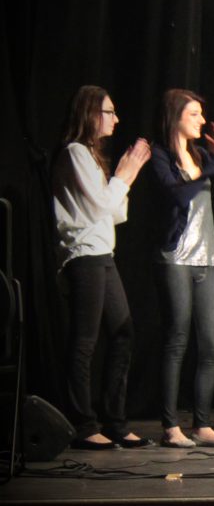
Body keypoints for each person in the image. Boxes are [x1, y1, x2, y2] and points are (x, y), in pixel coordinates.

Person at [53, 85, 152, 450]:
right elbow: (99, 208)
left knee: (123, 333)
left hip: (102, 253)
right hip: (83, 255)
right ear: (90, 113)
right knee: (85, 341)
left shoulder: (92, 157)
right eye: (109, 112)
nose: (116, 119)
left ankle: (115, 421)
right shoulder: (75, 152)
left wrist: (125, 175)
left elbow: (115, 212)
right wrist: (126, 174)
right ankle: (83, 424)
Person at [149, 89, 214, 448]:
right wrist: (211, 168)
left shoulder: (201, 155)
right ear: (176, 117)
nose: (202, 120)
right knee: (177, 339)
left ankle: (203, 424)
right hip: (175, 256)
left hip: (208, 257)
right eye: (194, 114)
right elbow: (177, 195)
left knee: (211, 343)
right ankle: (171, 426)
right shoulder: (161, 155)